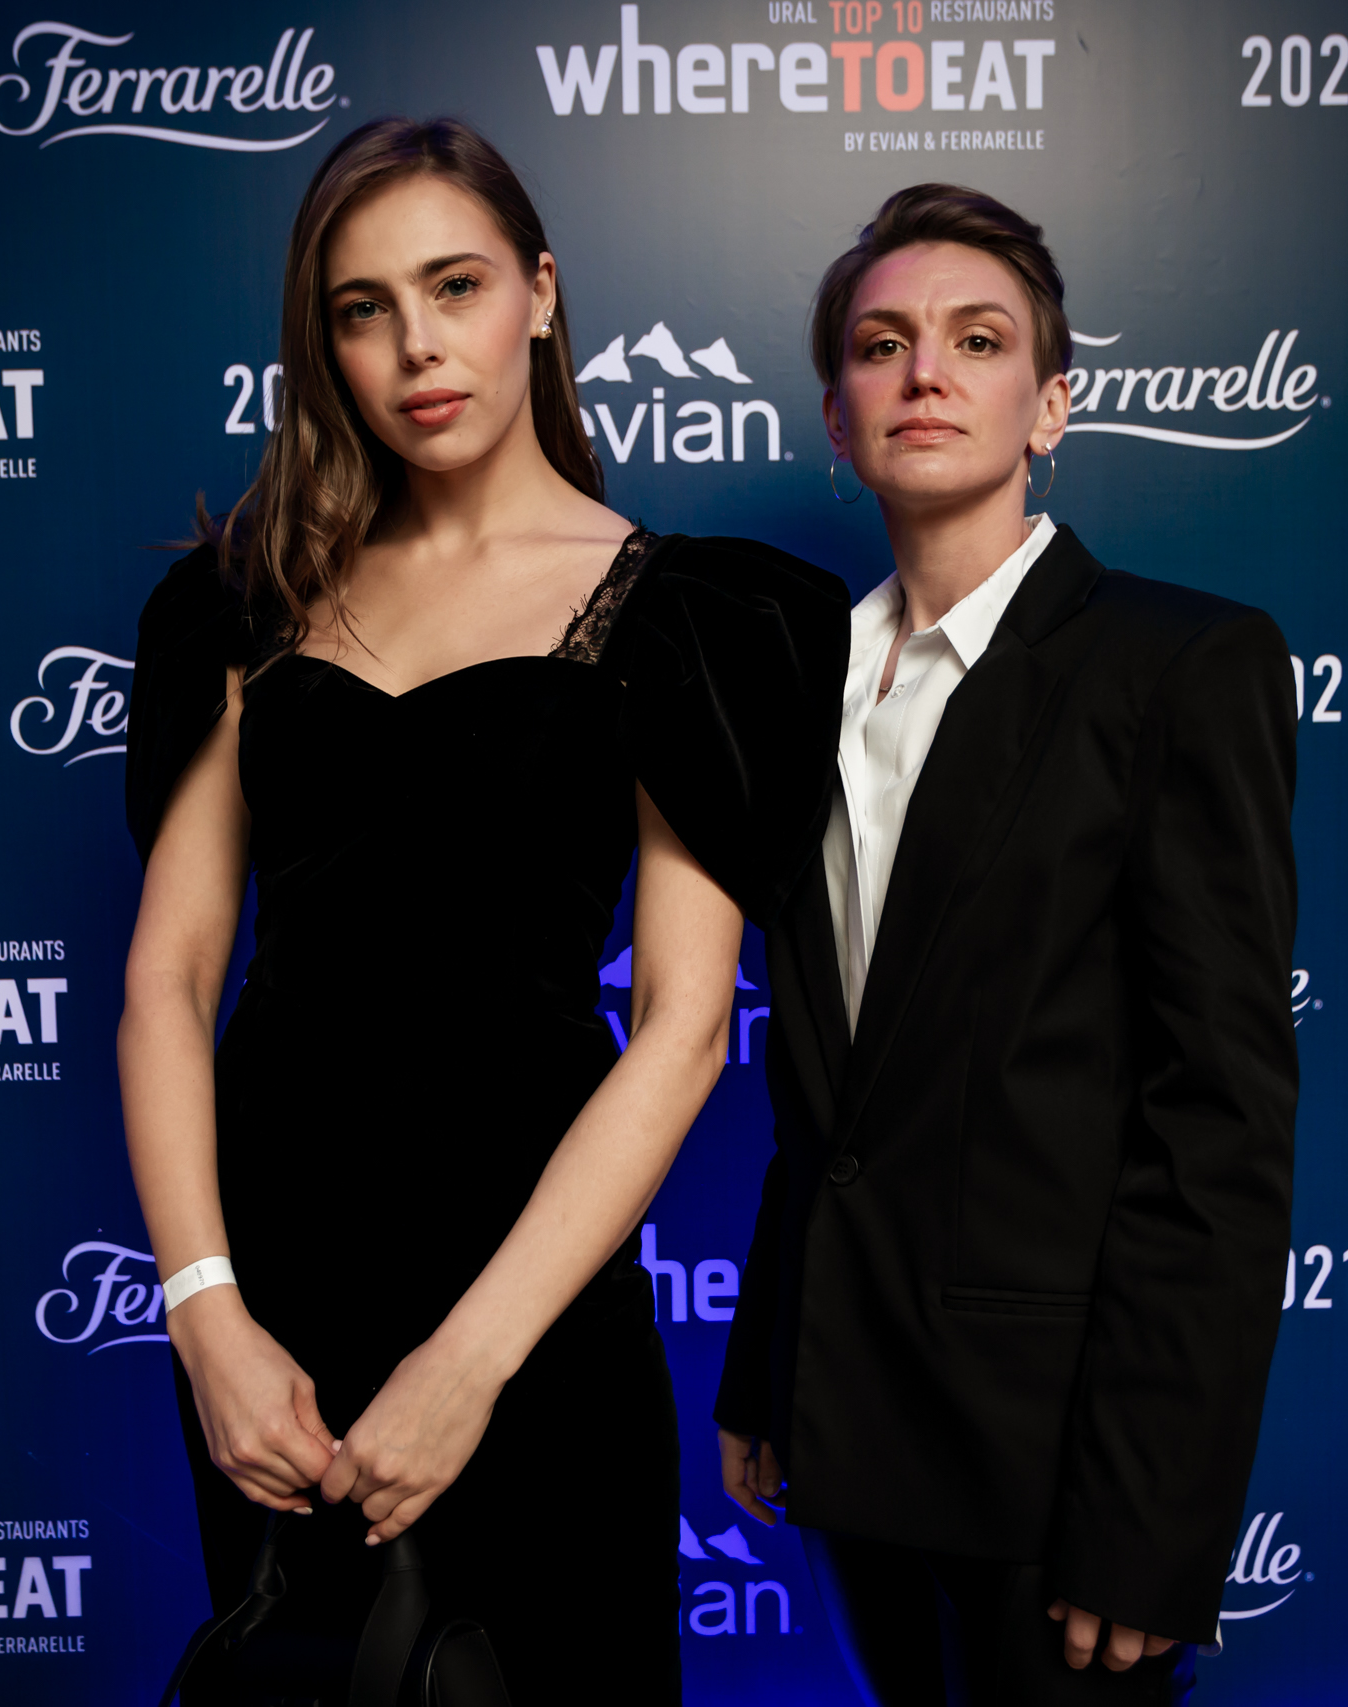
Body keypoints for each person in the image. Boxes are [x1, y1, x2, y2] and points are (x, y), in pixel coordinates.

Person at [118, 117, 846, 1704]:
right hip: (274, 1305)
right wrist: (206, 1319)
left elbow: (682, 1027)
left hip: (531, 1293)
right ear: (322, 343)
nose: (417, 345)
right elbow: (168, 982)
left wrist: (470, 1362)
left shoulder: (686, 615)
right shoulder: (242, 600)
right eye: (362, 308)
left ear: (540, 293)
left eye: (454, 285)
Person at [713, 184, 1298, 1704]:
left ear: (1050, 407)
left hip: (1054, 1467)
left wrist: (1153, 1519)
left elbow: (1219, 1124)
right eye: (881, 345)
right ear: (837, 418)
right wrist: (766, 1362)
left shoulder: (1179, 665)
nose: (926, 373)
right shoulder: (798, 687)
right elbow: (830, 1088)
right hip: (843, 1424)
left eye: (977, 341)